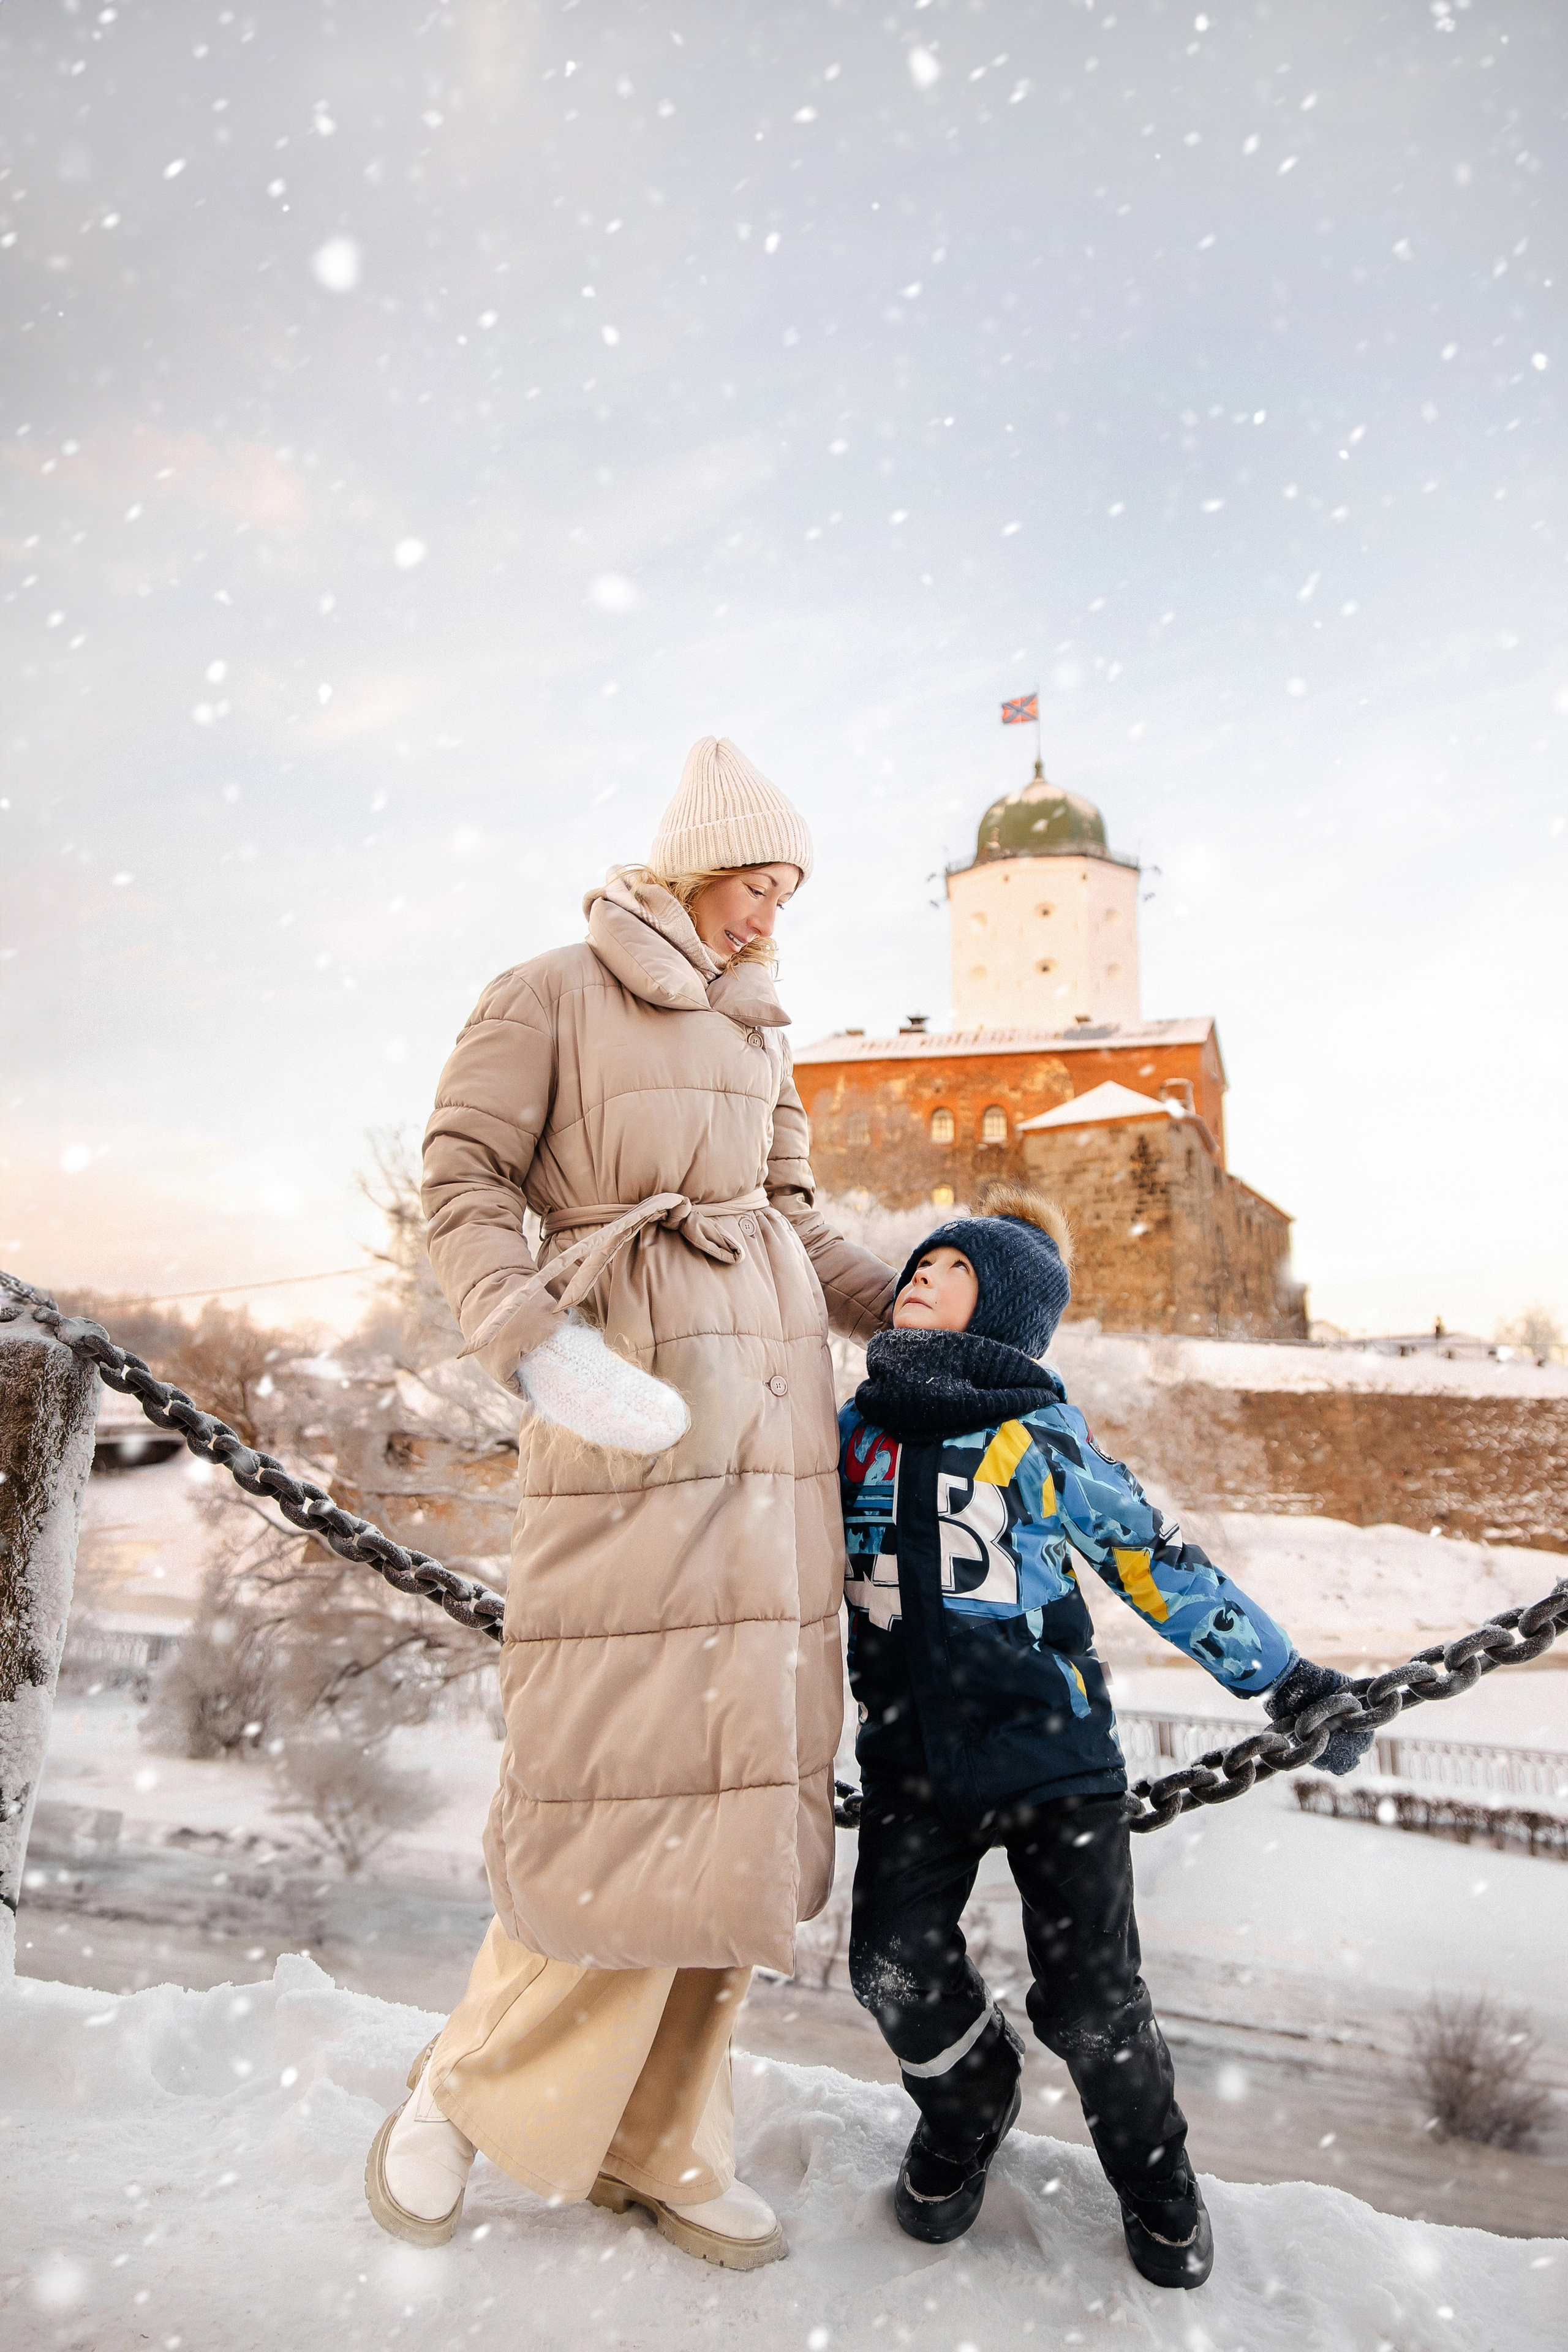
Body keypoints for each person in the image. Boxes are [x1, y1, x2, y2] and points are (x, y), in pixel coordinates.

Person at [364, 736, 896, 2270]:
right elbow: (461, 1177)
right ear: (688, 867)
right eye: (751, 883)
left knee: (739, 1777)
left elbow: (790, 1216)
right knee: (614, 1767)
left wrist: (916, 1313)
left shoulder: (762, 1030)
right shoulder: (547, 989)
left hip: (776, 1422)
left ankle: (661, 2136)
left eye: (788, 893)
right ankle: (463, 2092)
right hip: (627, 1398)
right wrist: (534, 1343)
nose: (765, 915)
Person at [837, 1185, 1372, 2290]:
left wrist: (1286, 1681)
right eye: (918, 1266)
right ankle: (968, 2100)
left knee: (1090, 2006)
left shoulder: (1040, 1436)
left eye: (955, 1271)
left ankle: (1156, 2180)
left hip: (1055, 1760)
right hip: (909, 1763)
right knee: (890, 1968)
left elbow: (1155, 1564)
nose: (920, 1276)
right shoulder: (854, 1436)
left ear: (1003, 1320)